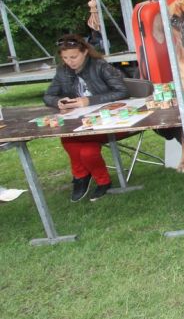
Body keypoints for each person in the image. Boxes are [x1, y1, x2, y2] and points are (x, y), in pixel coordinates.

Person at [44, 34, 129, 202]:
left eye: (74, 57)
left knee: (85, 149)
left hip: (112, 120)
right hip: (82, 122)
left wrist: (89, 101)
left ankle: (92, 179)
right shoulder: (62, 71)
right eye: (65, 58)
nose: (70, 62)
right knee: (69, 140)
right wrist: (58, 102)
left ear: (85, 52)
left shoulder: (100, 66)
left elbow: (123, 91)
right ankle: (85, 176)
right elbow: (48, 95)